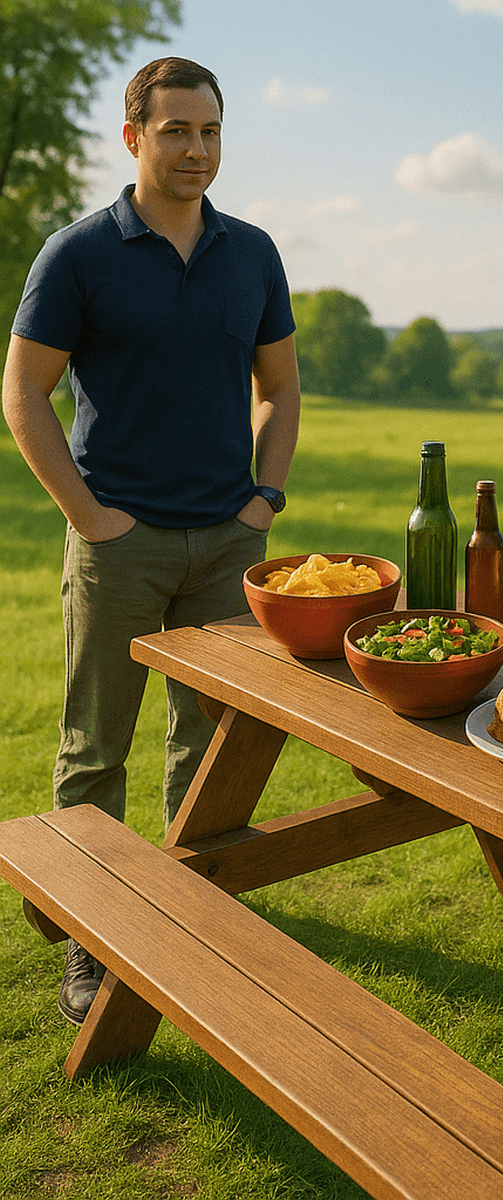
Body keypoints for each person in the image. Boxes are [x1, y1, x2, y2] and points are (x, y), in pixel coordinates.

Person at [1, 58, 301, 1025]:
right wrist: (90, 518)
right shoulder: (79, 254)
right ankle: (93, 945)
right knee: (95, 751)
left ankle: (198, 921)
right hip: (119, 544)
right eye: (176, 131)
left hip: (228, 546)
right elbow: (22, 393)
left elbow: (281, 388)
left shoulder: (252, 252)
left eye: (210, 132)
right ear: (134, 137)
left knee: (210, 746)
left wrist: (264, 501)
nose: (196, 150)